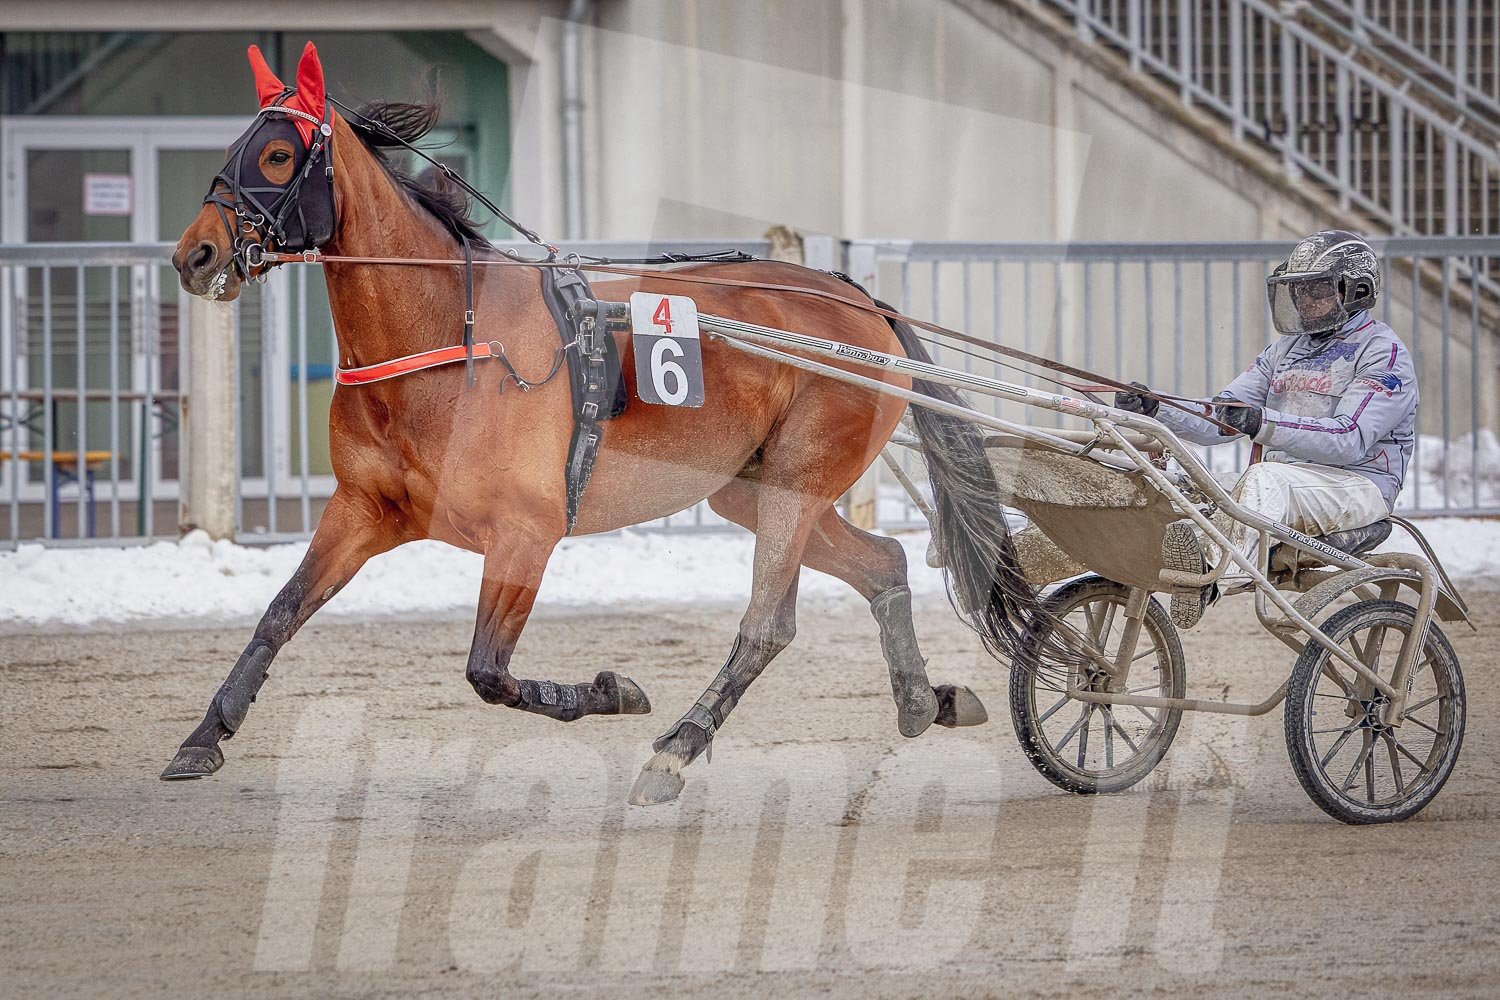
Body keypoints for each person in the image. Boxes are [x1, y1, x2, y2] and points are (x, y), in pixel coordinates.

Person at [1115, 231, 1418, 622]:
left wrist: (1263, 422)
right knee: (1189, 483)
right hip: (1288, 483)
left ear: (1355, 290)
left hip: (1358, 486)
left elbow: (1348, 439)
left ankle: (1208, 580)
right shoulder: (1285, 350)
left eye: (1317, 291)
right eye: (1300, 292)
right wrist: (1157, 407)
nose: (1306, 302)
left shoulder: (1384, 353)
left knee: (1263, 479)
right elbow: (1219, 418)